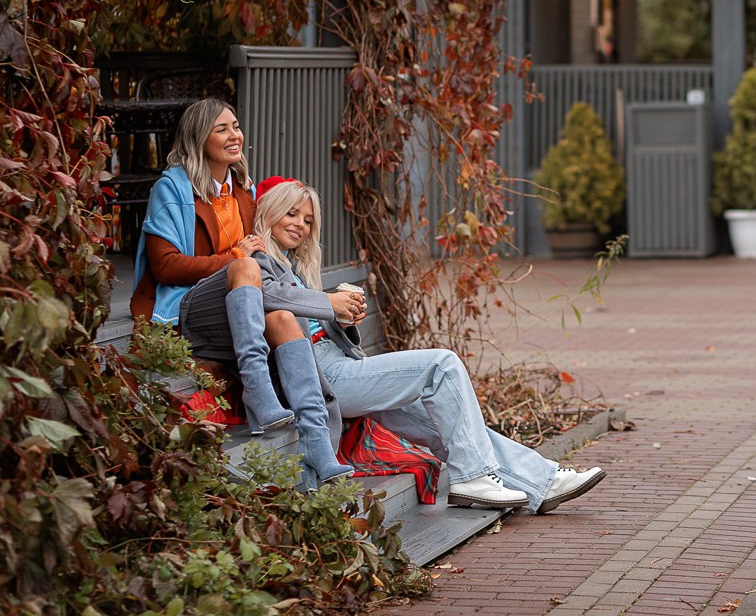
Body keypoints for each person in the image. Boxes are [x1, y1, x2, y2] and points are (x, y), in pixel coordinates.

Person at [238, 175, 607, 514]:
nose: (300, 225)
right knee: (441, 364)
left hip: (337, 364)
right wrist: (327, 304)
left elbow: (313, 319)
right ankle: (471, 479)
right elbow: (266, 299)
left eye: (307, 220)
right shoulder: (257, 261)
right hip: (323, 376)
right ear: (268, 212)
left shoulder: (295, 266)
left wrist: (343, 318)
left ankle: (541, 481)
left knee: (449, 422)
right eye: (291, 214)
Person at [129, 100, 361, 475]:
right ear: (198, 137)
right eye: (221, 129)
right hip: (187, 304)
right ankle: (256, 388)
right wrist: (235, 257)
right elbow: (165, 266)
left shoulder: (242, 189)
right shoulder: (171, 189)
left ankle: (318, 443)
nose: (234, 135)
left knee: (284, 317)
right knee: (246, 266)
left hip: (237, 304)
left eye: (235, 126)